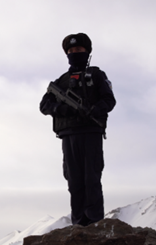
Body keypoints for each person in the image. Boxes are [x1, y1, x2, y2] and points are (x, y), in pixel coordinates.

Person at [39, 33, 116, 226]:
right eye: (71, 51)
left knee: (92, 178)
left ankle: (95, 222)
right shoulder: (61, 82)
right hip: (69, 134)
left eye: (79, 50)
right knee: (74, 180)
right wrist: (61, 109)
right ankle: (79, 223)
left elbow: (109, 100)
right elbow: (44, 105)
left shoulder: (97, 75)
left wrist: (94, 110)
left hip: (91, 132)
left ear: (87, 51)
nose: (75, 53)